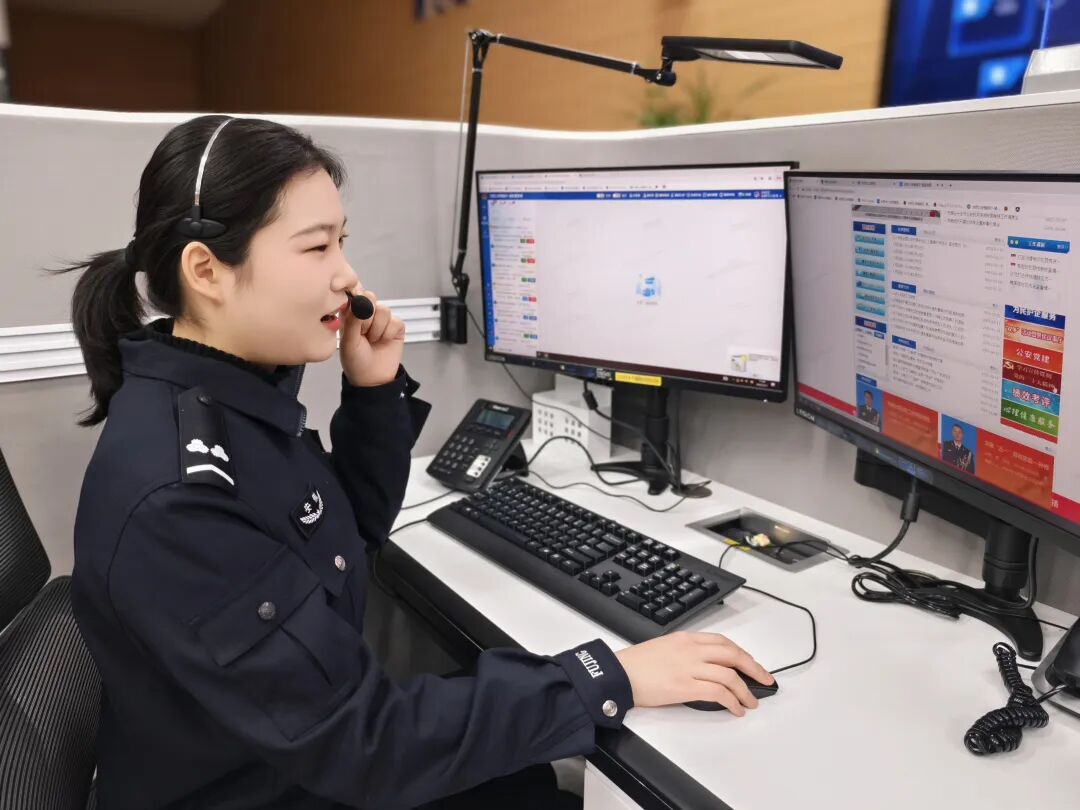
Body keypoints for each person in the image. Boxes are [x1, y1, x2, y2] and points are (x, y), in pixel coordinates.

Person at [61, 115, 773, 810]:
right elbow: (365, 743)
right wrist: (606, 676)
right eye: (316, 248)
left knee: (532, 783)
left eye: (342, 242)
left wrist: (373, 394)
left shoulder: (233, 403)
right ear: (206, 270)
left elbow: (346, 540)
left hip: (292, 759)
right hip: (273, 784)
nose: (346, 274)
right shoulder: (183, 495)